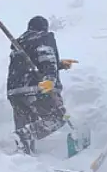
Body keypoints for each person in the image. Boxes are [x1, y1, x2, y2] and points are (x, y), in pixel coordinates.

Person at [7, 15, 69, 154]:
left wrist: (59, 64)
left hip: (15, 92)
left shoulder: (21, 43)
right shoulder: (43, 38)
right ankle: (24, 136)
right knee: (58, 117)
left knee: (26, 125)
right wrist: (51, 78)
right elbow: (47, 59)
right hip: (36, 89)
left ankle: (23, 158)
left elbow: (31, 64)